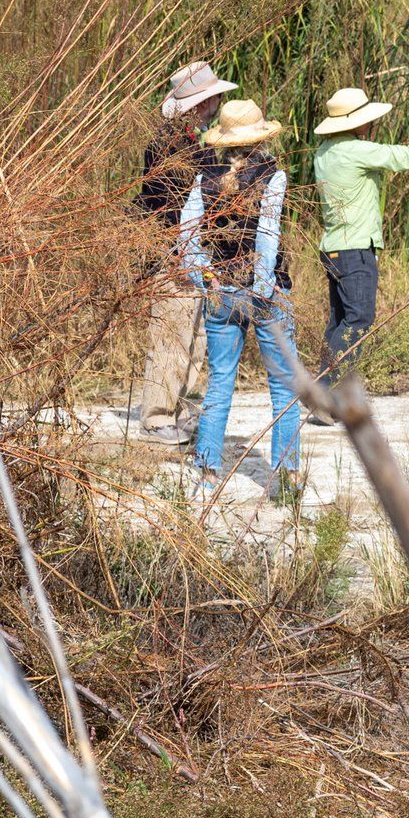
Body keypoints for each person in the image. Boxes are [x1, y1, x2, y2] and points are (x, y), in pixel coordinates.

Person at [176, 99, 305, 497]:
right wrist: (263, 289)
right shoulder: (273, 175)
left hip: (222, 290)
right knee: (284, 387)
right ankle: (285, 481)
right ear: (261, 137)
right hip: (263, 291)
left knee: (219, 386)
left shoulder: (205, 177)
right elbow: (267, 236)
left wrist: (206, 278)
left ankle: (206, 476)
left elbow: (186, 237)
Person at [312, 85, 409, 384]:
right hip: (355, 250)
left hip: (332, 248)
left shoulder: (323, 153)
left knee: (339, 321)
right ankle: (324, 389)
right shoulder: (356, 150)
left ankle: (325, 388)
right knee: (359, 319)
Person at [131, 60, 237, 443]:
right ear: (198, 104)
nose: (219, 102)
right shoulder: (170, 145)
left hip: (194, 252)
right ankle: (157, 417)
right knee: (172, 336)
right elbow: (170, 203)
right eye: (213, 98)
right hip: (173, 251)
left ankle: (181, 411)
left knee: (195, 339)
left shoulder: (194, 142)